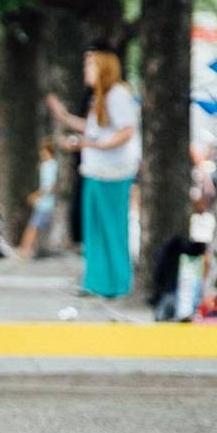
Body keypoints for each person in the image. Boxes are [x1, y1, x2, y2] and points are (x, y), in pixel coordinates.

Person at [46, 50, 140, 298]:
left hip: (113, 173)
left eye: (91, 67)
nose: (86, 72)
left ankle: (119, 282)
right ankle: (97, 280)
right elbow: (93, 128)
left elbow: (126, 132)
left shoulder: (117, 95)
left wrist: (90, 145)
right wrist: (64, 117)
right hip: (95, 171)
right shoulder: (100, 97)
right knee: (94, 228)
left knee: (112, 228)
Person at [18, 138, 58, 259]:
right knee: (36, 226)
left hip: (45, 203)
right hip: (44, 202)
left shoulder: (50, 165)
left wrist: (37, 195)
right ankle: (30, 249)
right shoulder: (47, 165)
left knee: (33, 226)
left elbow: (50, 186)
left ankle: (24, 249)